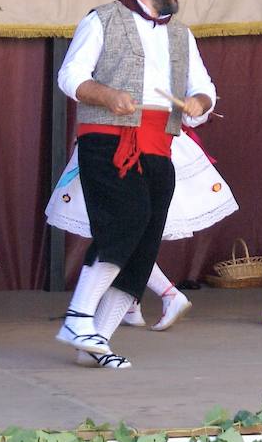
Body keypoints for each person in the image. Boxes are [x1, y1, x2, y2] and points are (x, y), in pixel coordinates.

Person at [53, 0, 216, 368]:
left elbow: (205, 88)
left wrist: (199, 102)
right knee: (125, 223)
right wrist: (107, 94)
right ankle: (77, 317)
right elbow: (70, 76)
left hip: (160, 145)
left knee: (143, 245)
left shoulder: (182, 34)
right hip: (108, 140)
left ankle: (96, 341)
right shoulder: (101, 19)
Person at [45, 120, 237, 331]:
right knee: (125, 232)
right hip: (118, 142)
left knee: (127, 230)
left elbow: (195, 111)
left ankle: (166, 294)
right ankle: (134, 304)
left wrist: (194, 105)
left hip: (148, 148)